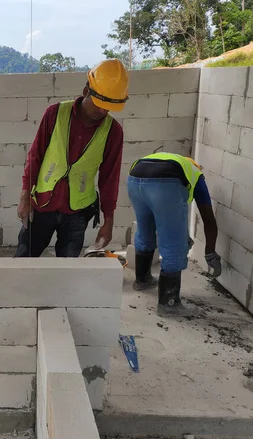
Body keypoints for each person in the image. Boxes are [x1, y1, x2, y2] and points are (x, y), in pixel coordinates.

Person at [15, 59, 128, 257]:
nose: (103, 111)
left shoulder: (113, 131)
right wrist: (24, 197)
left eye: (108, 107)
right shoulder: (55, 113)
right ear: (86, 92)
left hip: (78, 213)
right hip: (42, 204)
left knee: (67, 271)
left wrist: (108, 222)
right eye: (100, 104)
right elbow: (35, 157)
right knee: (23, 261)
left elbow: (110, 178)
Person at [127, 152, 222, 317]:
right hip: (164, 184)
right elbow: (208, 219)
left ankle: (142, 280)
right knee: (174, 245)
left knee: (144, 229)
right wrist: (210, 252)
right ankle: (169, 303)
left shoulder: (171, 160)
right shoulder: (196, 175)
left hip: (134, 178)